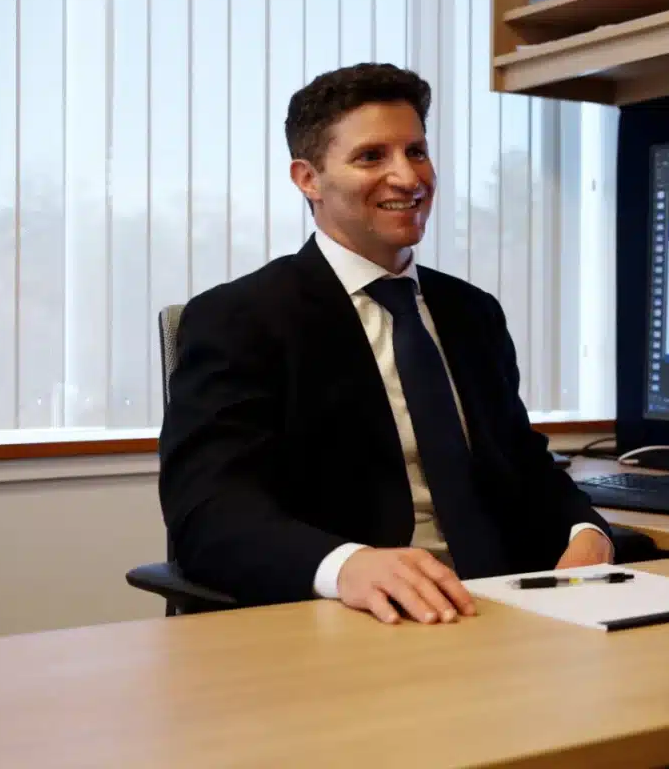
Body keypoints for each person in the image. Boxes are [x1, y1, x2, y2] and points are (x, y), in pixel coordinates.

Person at [159, 63, 613, 625]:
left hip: (507, 609)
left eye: (417, 152)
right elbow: (209, 512)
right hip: (360, 618)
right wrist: (347, 566)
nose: (408, 177)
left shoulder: (472, 313)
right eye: (372, 157)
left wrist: (586, 532)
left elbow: (521, 464)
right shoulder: (240, 318)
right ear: (308, 179)